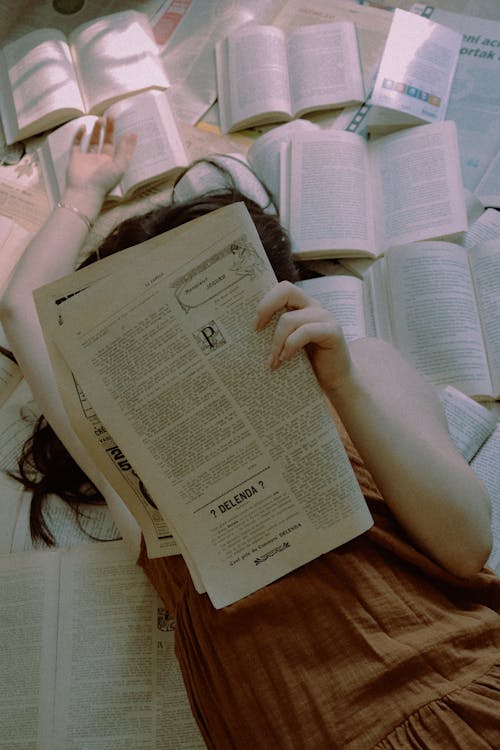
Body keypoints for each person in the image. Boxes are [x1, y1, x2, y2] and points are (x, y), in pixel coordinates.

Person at [1, 118, 499, 749]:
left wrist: (345, 386)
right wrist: (83, 192)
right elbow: (23, 309)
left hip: (454, 698)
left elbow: (468, 545)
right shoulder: (132, 465)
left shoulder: (360, 369)